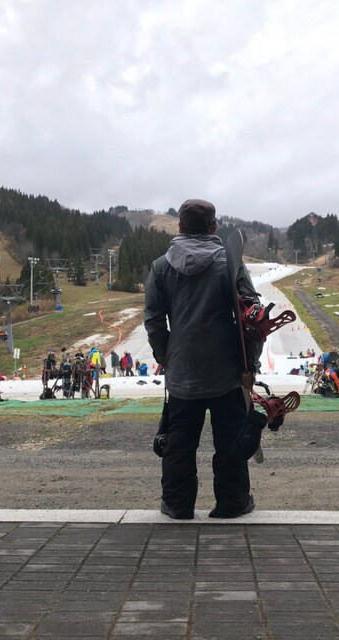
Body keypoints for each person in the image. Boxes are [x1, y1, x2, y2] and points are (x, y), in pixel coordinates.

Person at [144, 198, 262, 520]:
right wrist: (250, 363)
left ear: (180, 226)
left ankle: (177, 504)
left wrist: (166, 355)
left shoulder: (160, 267)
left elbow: (153, 321)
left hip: (182, 372)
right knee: (230, 440)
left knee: (180, 443)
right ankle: (233, 502)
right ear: (214, 227)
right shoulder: (230, 262)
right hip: (227, 371)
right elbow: (252, 318)